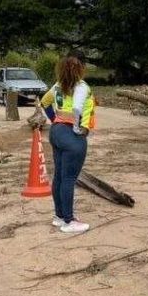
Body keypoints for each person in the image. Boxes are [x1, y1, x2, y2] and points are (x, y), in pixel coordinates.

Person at [39, 52, 96, 234]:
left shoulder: (58, 85)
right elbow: (78, 107)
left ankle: (59, 216)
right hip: (72, 136)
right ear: (82, 67)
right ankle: (69, 221)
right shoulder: (82, 87)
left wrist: (54, 119)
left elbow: (44, 102)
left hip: (57, 132)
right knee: (69, 179)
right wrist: (79, 128)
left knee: (59, 176)